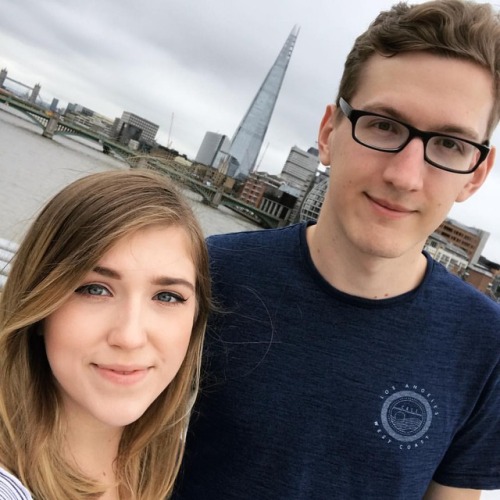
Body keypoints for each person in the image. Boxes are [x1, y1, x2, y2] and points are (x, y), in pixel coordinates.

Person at [173, 1, 500, 499]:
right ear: (329, 133)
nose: (404, 176)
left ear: (477, 174)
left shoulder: (485, 345)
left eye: (450, 145)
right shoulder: (206, 274)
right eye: (384, 125)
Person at [0, 169, 211, 499]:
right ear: (39, 305)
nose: (129, 337)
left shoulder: (186, 471)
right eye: (95, 289)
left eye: (167, 296)